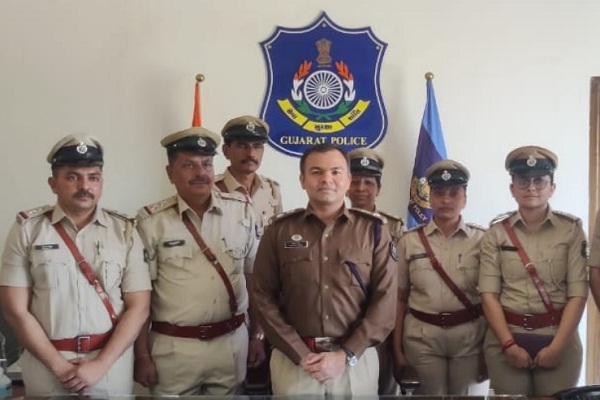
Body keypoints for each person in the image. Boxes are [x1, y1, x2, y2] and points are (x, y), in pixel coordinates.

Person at [0, 134, 151, 396]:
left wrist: (100, 365)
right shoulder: (27, 230)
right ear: (53, 184)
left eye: (93, 177)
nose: (85, 186)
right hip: (46, 366)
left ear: (102, 183)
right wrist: (59, 367)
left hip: (109, 366)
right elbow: (15, 309)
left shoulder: (125, 230)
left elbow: (139, 307)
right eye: (72, 177)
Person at [252, 143, 397, 397]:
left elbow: (385, 300)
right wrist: (299, 353)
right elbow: (262, 296)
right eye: (316, 172)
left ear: (348, 180)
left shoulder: (373, 230)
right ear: (302, 180)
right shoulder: (279, 230)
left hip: (355, 362)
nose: (326, 179)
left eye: (335, 172)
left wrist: (346, 354)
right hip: (295, 363)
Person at [132, 125, 263, 395]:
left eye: (207, 164)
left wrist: (257, 335)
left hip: (230, 343)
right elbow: (141, 296)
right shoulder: (151, 222)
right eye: (188, 165)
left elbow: (254, 279)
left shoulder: (241, 212)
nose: (201, 173)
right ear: (170, 173)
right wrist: (142, 354)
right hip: (174, 348)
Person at [479, 145, 587, 396]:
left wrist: (558, 347)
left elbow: (578, 294)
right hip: (506, 338)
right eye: (523, 181)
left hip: (559, 338)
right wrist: (508, 345)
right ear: (512, 188)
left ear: (552, 187)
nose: (531, 187)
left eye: (540, 181)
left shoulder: (571, 231)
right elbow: (488, 295)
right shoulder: (495, 233)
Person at [393, 159, 486, 395]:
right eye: (439, 193)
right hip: (422, 339)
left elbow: (491, 298)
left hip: (469, 338)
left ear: (465, 198)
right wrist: (397, 350)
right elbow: (399, 300)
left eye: (454, 193)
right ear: (430, 197)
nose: (446, 200)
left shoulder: (483, 240)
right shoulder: (409, 241)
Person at [346, 147, 404, 395]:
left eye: (368, 183)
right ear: (346, 185)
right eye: (355, 181)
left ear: (378, 188)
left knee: (383, 387)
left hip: (382, 323)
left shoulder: (393, 226)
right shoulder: (333, 223)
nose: (361, 188)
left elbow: (399, 279)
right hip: (345, 320)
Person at [215, 115, 282, 238]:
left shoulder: (272, 190)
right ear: (226, 151)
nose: (251, 153)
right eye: (242, 146)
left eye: (257, 146)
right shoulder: (211, 191)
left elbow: (278, 238)